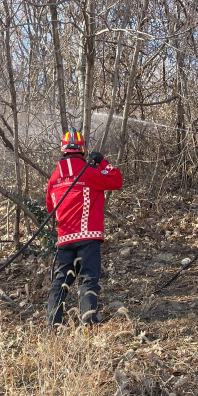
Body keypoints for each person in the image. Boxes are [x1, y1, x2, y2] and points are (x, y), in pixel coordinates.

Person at [46, 131, 123, 328]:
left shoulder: (54, 178)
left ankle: (52, 327)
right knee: (88, 280)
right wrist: (103, 162)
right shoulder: (89, 172)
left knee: (60, 283)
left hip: (64, 240)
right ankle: (88, 325)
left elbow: (50, 208)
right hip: (88, 238)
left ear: (62, 149)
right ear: (82, 149)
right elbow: (116, 180)